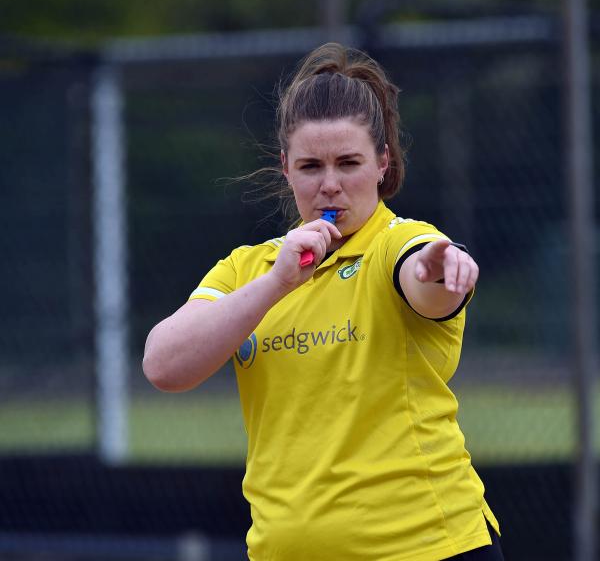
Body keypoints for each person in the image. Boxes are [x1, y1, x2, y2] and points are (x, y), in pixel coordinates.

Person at [143, 42, 504, 561]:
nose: (330, 185)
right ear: (286, 167)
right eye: (311, 166)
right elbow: (162, 365)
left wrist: (438, 272)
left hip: (428, 548)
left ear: (382, 163)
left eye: (349, 163)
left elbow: (423, 279)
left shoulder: (397, 243)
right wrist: (277, 285)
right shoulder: (251, 269)